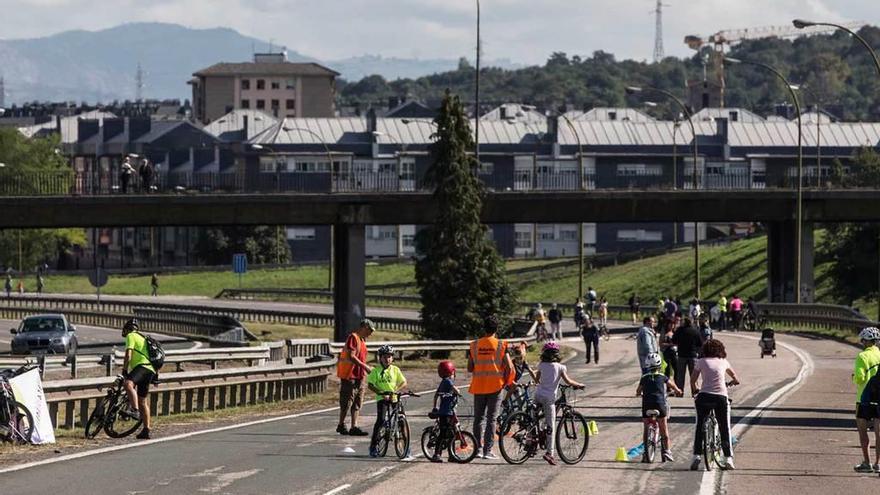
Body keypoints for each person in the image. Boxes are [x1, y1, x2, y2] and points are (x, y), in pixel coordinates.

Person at [690, 339, 741, 471]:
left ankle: (696, 456)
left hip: (704, 396)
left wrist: (695, 390)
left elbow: (693, 380)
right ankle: (728, 458)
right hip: (720, 397)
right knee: (725, 427)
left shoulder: (701, 361)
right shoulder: (724, 362)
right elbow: (736, 378)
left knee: (699, 425)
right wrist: (733, 381)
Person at [468, 314, 513, 460]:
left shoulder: (474, 345)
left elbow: (470, 367)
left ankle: (477, 450)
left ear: (484, 328)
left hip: (479, 386)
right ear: (497, 328)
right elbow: (509, 366)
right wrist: (507, 380)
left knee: (478, 419)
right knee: (491, 419)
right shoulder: (501, 345)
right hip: (495, 386)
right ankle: (487, 451)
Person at [534, 341, 585, 465]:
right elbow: (568, 381)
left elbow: (537, 379)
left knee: (535, 418)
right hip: (549, 398)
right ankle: (549, 453)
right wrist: (579, 385)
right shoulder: (560, 367)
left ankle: (532, 440)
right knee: (551, 425)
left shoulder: (541, 365)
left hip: (538, 395)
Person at [636, 352, 683, 463]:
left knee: (646, 426)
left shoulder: (644, 377)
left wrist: (638, 394)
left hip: (646, 405)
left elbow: (638, 390)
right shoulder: (662, 376)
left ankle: (645, 451)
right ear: (659, 365)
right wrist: (678, 390)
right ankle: (667, 450)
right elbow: (672, 385)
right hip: (659, 405)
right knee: (664, 428)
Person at [367, 345, 408, 457]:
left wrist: (396, 390)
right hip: (382, 398)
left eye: (390, 357)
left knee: (402, 420)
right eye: (385, 357)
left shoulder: (395, 370)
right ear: (380, 358)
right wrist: (381, 392)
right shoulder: (376, 370)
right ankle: (373, 446)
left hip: (394, 397)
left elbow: (403, 382)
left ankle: (405, 447)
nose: (387, 359)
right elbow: (370, 385)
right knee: (380, 420)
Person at [336, 319, 375, 436]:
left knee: (358, 401)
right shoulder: (353, 338)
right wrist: (366, 367)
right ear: (364, 327)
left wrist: (366, 368)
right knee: (347, 401)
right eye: (370, 330)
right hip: (350, 375)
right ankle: (341, 424)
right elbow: (351, 356)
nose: (371, 333)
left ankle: (354, 426)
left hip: (360, 375)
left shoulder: (362, 340)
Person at [120, 318, 155, 439]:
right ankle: (146, 430)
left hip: (141, 367)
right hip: (150, 370)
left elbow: (128, 354)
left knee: (128, 384)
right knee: (143, 401)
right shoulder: (143, 337)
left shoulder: (131, 336)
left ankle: (134, 410)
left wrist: (124, 369)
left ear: (128, 328)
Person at [852, 327, 880, 473]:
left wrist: (854, 377)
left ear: (864, 341)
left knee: (863, 432)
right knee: (879, 432)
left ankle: (867, 463)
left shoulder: (862, 356)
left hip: (864, 399)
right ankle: (878, 463)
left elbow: (860, 377)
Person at [430, 360, 461, 463]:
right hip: (445, 413)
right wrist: (458, 392)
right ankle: (436, 454)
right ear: (451, 372)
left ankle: (451, 454)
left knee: (451, 432)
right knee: (445, 434)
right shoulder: (448, 381)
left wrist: (434, 407)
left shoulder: (443, 382)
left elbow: (436, 395)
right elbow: (456, 390)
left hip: (449, 412)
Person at [673, 317, 704, 392]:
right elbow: (700, 343)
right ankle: (694, 391)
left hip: (681, 355)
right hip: (692, 355)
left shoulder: (679, 330)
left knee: (680, 376)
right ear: (691, 322)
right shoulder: (695, 331)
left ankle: (679, 392)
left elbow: (674, 340)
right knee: (693, 375)